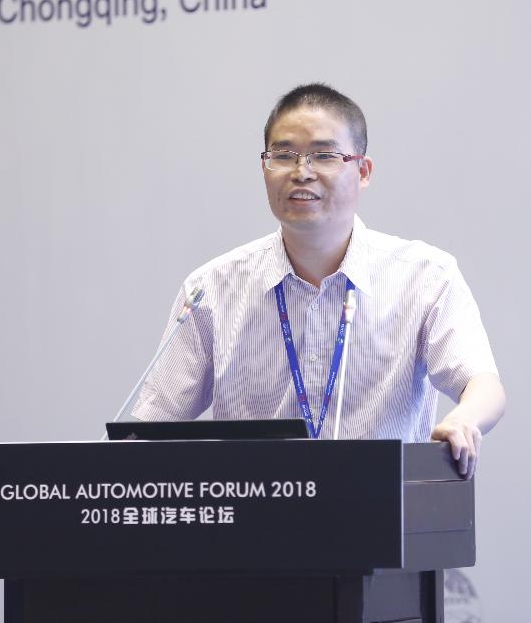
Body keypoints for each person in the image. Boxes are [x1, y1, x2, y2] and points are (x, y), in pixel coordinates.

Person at [131, 84, 505, 478]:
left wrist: (464, 420)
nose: (301, 172)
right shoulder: (211, 289)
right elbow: (151, 425)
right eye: (283, 156)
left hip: (380, 505)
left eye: (324, 156)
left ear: (363, 171)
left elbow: (483, 384)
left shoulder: (424, 276)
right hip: (255, 510)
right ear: (264, 168)